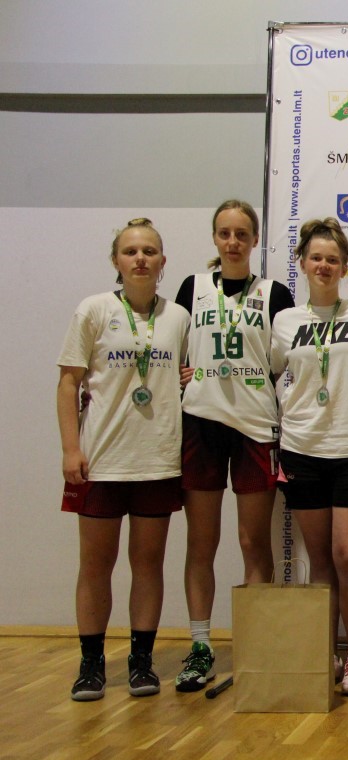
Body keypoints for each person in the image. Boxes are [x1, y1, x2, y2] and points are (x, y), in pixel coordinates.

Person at [57, 218, 190, 701]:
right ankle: (91, 664)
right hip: (101, 460)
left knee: (148, 564)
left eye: (149, 251)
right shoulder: (93, 310)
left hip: (158, 459)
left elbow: (184, 375)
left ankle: (141, 662)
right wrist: (71, 449)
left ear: (162, 261)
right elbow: (68, 383)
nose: (140, 259)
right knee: (95, 564)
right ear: (116, 260)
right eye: (131, 251)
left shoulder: (178, 317)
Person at [174, 200, 294, 692]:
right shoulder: (192, 288)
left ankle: (256, 644)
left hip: (254, 425)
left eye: (242, 233)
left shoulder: (274, 293)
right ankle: (201, 644)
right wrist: (179, 372)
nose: (233, 242)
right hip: (201, 422)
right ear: (215, 238)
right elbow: (169, 347)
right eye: (225, 233)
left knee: (252, 541)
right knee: (202, 542)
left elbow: (288, 360)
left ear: (255, 239)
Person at [270, 217, 348, 696]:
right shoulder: (284, 321)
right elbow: (264, 375)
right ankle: (326, 651)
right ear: (302, 262)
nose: (323, 265)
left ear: (345, 266)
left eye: (332, 259)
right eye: (315, 257)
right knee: (319, 561)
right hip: (302, 449)